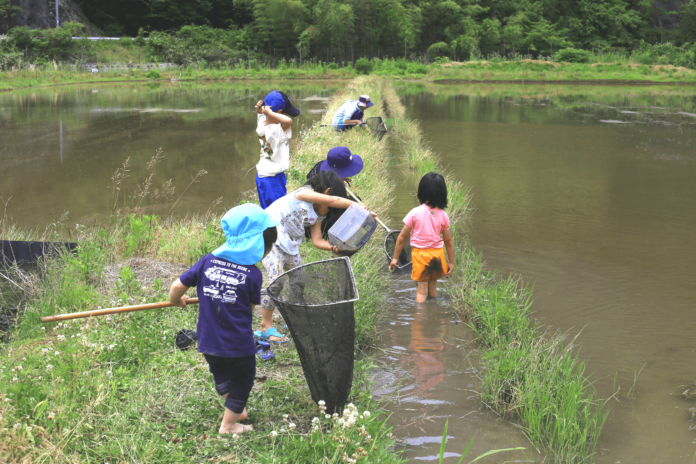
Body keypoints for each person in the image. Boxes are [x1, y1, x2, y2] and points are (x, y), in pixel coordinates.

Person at [169, 203, 279, 434]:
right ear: (256, 245)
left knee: (221, 372)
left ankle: (235, 407)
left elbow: (177, 286)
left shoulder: (206, 261)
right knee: (244, 379)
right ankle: (228, 426)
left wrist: (177, 300)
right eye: (267, 247)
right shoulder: (253, 274)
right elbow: (247, 308)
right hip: (238, 343)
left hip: (207, 341)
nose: (267, 252)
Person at [256, 170, 376, 342]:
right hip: (270, 239)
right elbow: (335, 200)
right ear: (326, 192)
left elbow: (317, 240)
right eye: (329, 204)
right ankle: (265, 325)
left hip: (290, 245)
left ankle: (294, 317)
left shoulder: (319, 214)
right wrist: (359, 208)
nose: (329, 209)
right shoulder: (303, 194)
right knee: (277, 280)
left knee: (299, 279)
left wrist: (333, 247)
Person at [389, 172, 455, 303]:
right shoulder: (443, 215)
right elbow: (448, 241)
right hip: (437, 255)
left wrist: (395, 258)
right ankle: (434, 314)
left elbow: (402, 237)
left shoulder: (415, 213)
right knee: (432, 288)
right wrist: (451, 262)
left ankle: (421, 320)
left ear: (422, 192)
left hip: (421, 256)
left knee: (421, 290)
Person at [305, 146, 363, 238]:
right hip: (314, 220)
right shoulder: (330, 184)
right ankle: (335, 234)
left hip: (314, 210)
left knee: (354, 201)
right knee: (354, 204)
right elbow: (336, 201)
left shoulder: (319, 166)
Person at [255, 90, 301, 209]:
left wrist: (261, 111)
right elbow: (288, 121)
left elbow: (261, 114)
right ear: (280, 112)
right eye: (286, 113)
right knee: (278, 213)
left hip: (265, 175)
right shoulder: (276, 132)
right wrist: (269, 113)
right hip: (272, 179)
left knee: (269, 211)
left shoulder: (262, 124)